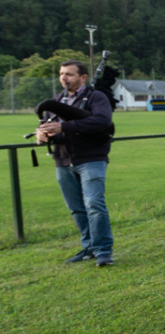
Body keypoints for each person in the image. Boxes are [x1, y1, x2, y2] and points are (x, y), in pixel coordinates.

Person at [36, 59, 116, 267]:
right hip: (63, 160)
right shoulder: (56, 101)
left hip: (91, 158)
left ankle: (102, 250)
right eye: (62, 74)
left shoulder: (96, 97)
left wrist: (65, 127)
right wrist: (43, 134)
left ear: (83, 78)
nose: (64, 78)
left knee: (94, 204)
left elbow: (102, 121)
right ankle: (89, 247)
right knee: (76, 208)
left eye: (69, 74)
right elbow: (52, 129)